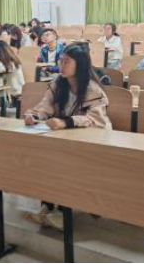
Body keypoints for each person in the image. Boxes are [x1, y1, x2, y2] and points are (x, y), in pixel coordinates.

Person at [24, 44, 111, 231]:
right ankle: (47, 207)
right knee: (46, 157)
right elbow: (46, 104)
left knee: (65, 162)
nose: (61, 66)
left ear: (79, 64)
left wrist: (66, 122)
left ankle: (63, 214)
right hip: (67, 136)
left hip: (92, 139)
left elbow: (96, 120)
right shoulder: (58, 83)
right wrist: (35, 115)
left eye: (67, 62)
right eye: (60, 61)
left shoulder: (92, 88)